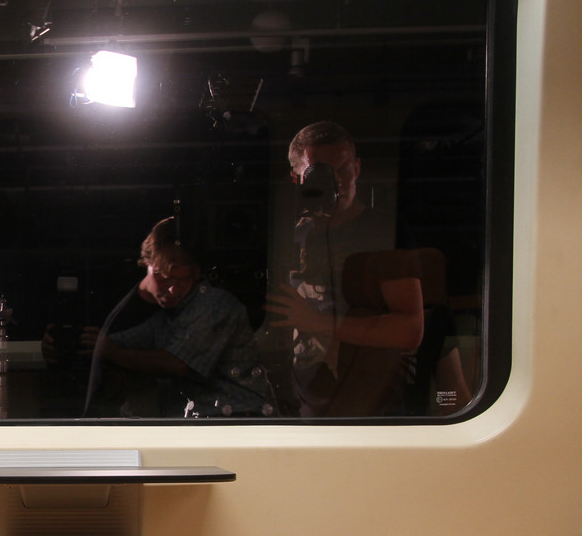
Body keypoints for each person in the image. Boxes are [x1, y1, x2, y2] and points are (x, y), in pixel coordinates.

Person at [265, 121, 425, 416]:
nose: (337, 182)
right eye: (321, 174)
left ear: (357, 168)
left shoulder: (383, 230)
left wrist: (317, 322)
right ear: (297, 178)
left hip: (370, 401)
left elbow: (410, 329)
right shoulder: (291, 235)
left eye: (343, 170)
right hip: (304, 398)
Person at [45, 217, 274, 418]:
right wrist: (64, 344)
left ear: (195, 273)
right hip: (201, 424)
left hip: (238, 423)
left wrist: (113, 352)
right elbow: (112, 343)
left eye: (178, 278)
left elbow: (177, 364)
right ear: (147, 270)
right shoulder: (166, 320)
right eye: (161, 277)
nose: (171, 289)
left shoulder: (214, 304)